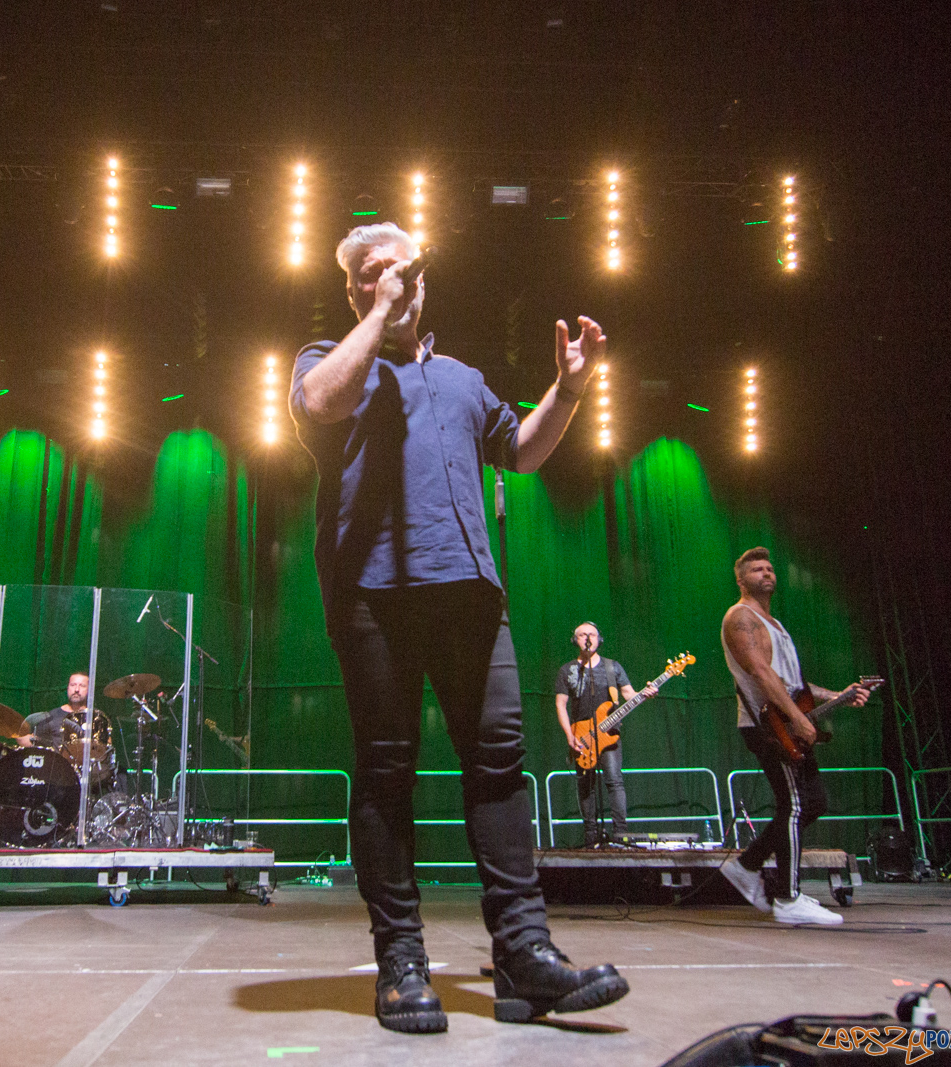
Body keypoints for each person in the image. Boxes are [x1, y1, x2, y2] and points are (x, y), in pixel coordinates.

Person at [290, 223, 628, 1033]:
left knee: (501, 766)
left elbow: (522, 452)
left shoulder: (465, 378)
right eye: (370, 276)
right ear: (352, 292)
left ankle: (523, 954)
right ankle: (401, 961)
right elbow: (317, 403)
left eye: (400, 272)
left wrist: (570, 390)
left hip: (472, 593)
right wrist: (378, 315)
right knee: (386, 769)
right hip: (372, 596)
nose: (389, 282)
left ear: (425, 283)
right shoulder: (324, 359)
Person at [718, 547, 870, 926]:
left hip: (788, 721)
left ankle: (748, 866)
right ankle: (787, 899)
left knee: (813, 801)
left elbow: (794, 684)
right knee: (795, 804)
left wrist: (838, 696)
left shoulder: (776, 624)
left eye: (770, 568)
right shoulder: (741, 618)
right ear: (741, 579)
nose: (766, 573)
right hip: (769, 726)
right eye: (756, 569)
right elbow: (760, 673)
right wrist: (796, 719)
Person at [554, 623, 656, 845]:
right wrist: (568, 735)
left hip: (610, 732)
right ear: (575, 640)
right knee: (585, 784)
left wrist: (644, 693)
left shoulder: (613, 667)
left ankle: (621, 834)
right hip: (581, 734)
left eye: (591, 634)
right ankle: (590, 835)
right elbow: (561, 704)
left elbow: (629, 694)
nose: (587, 638)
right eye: (582, 635)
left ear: (599, 639)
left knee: (614, 781)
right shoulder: (567, 670)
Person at [18, 671, 90, 750]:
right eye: (73, 685)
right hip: (57, 761)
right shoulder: (52, 716)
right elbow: (31, 740)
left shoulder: (95, 718)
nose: (76, 689)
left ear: (89, 690)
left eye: (82, 686)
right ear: (68, 688)